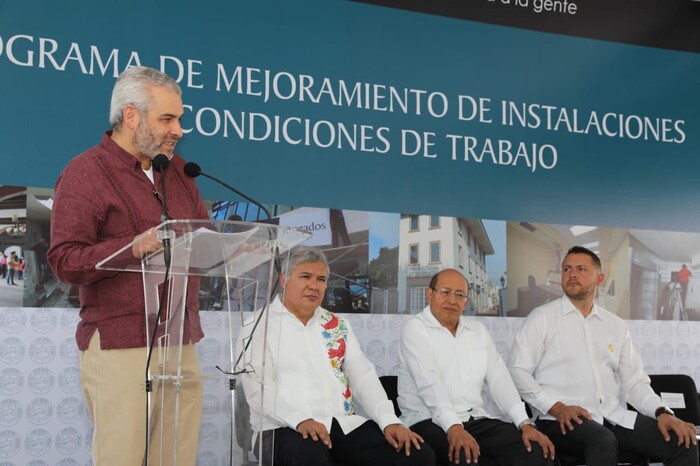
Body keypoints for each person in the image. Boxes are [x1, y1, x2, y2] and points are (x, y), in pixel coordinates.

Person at [47, 66, 210, 466]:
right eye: (167, 119)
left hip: (180, 342)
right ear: (131, 116)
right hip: (121, 341)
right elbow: (65, 260)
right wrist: (132, 248)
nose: (178, 130)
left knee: (177, 458)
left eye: (180, 119)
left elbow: (205, 239)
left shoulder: (179, 174)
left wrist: (229, 249)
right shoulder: (86, 172)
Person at [239, 246, 434, 466]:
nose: (314, 285)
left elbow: (363, 377)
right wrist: (301, 420)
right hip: (280, 428)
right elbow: (258, 390)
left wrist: (390, 422)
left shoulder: (338, 325)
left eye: (321, 279)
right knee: (310, 456)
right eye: (305, 277)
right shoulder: (257, 326)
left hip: (341, 425)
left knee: (416, 453)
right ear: (284, 280)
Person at [508, 246, 698, 466]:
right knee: (602, 440)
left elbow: (635, 381)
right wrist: (556, 407)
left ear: (599, 278)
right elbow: (517, 370)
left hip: (614, 416)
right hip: (560, 420)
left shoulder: (615, 325)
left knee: (684, 441)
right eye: (567, 269)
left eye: (581, 269)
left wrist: (662, 412)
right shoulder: (542, 318)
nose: (572, 274)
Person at [398, 268, 556, 466]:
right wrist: (454, 427)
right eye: (445, 292)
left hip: (475, 418)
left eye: (459, 295)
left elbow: (500, 379)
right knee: (465, 457)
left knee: (536, 452)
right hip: (428, 421)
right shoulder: (415, 329)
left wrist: (525, 423)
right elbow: (429, 383)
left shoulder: (477, 331)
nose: (452, 300)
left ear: (466, 301)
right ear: (430, 295)